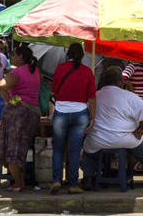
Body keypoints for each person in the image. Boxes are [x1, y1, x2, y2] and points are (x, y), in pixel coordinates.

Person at [81, 66, 143, 189]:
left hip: (98, 138)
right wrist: (141, 130)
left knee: (88, 151)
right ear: (119, 82)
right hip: (125, 138)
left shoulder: (95, 96)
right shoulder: (128, 96)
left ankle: (88, 177)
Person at [48, 43, 95, 194]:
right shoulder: (87, 72)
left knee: (58, 149)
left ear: (68, 54)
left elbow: (53, 91)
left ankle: (56, 180)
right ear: (82, 55)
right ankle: (73, 184)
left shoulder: (60, 69)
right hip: (80, 113)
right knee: (74, 150)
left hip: (61, 111)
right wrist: (93, 118)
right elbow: (92, 99)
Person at [0, 43, 40, 192]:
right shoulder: (34, 71)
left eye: (14, 55)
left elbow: (1, 86)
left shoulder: (17, 73)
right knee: (25, 147)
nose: (11, 57)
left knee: (13, 149)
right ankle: (22, 180)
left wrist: (8, 100)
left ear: (21, 57)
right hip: (33, 113)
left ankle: (18, 182)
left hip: (18, 115)